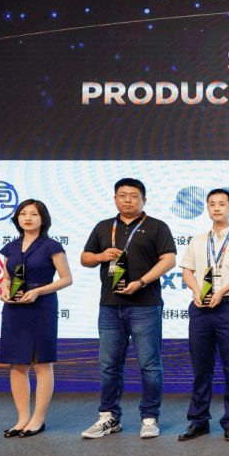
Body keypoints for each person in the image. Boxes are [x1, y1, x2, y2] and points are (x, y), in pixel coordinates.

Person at [80, 178, 176, 439]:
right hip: (110, 307)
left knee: (150, 365)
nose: (127, 200)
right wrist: (101, 256)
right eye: (122, 195)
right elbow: (85, 258)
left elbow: (169, 260)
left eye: (134, 196)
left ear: (144, 200)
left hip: (145, 305)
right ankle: (109, 417)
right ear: (115, 199)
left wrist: (141, 282)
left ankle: (149, 417)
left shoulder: (157, 226)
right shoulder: (103, 227)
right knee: (109, 365)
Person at [177, 189, 229, 441]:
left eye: (222, 204)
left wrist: (222, 291)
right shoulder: (198, 240)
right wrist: (196, 290)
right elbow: (187, 271)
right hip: (201, 309)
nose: (216, 208)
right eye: (212, 204)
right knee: (201, 368)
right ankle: (198, 421)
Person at [0, 199, 73, 438]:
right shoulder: (10, 247)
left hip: (42, 306)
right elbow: (6, 277)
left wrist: (38, 291)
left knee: (42, 363)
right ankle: (22, 419)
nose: (27, 218)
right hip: (15, 308)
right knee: (17, 364)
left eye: (34, 214)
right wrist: (4, 289)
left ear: (43, 219)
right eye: (23, 213)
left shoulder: (52, 246)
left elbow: (66, 278)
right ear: (17, 218)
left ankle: (38, 419)